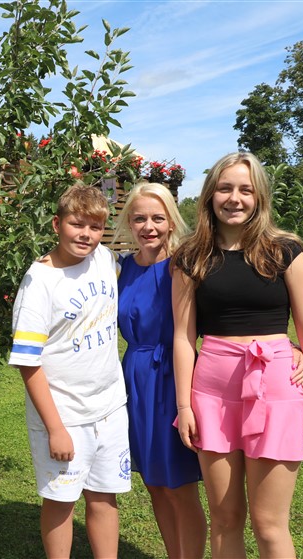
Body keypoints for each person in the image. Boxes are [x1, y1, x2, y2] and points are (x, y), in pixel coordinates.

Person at [171, 152, 303, 558]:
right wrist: (184, 406)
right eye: (225, 188)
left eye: (246, 189)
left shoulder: (285, 250)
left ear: (259, 197)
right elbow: (184, 338)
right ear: (210, 195)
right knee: (224, 521)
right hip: (212, 394)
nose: (235, 198)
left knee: (269, 523)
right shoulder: (191, 257)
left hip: (276, 391)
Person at [9, 183, 130, 559]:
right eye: (77, 224)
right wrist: (56, 429)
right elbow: (28, 363)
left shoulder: (106, 261)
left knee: (104, 496)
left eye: (95, 227)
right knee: (62, 502)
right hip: (64, 416)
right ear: (56, 224)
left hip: (110, 406)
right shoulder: (39, 282)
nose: (86, 235)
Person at [112, 182, 207, 558]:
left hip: (175, 377)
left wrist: (291, 347)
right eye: (139, 218)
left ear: (171, 220)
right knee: (154, 482)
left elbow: (231, 313)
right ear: (128, 223)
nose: (148, 226)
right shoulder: (121, 268)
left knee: (179, 483)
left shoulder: (186, 263)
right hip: (134, 377)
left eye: (157, 217)